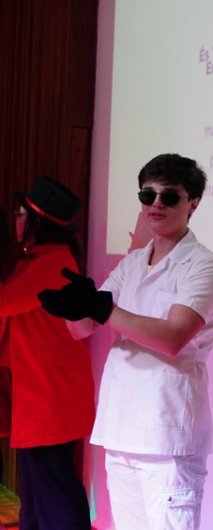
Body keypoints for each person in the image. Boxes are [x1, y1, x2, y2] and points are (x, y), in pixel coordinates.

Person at [39, 154, 213, 529]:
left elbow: (173, 337)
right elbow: (81, 329)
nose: (156, 204)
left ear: (193, 203)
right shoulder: (133, 262)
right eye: (147, 195)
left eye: (169, 196)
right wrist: (75, 307)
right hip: (120, 428)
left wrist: (102, 309)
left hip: (166, 435)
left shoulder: (203, 265)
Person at [0, 176, 95, 529]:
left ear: (35, 223)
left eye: (20, 214)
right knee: (37, 489)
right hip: (40, 391)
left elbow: (4, 302)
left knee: (54, 486)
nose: (16, 221)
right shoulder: (39, 259)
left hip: (50, 394)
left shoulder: (52, 262)